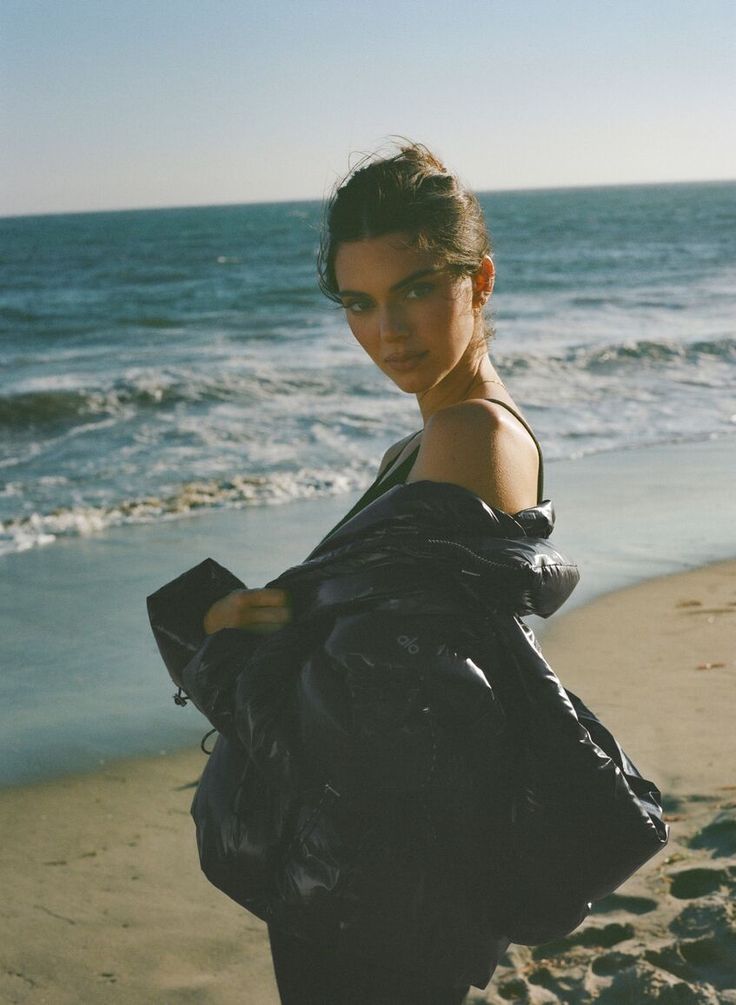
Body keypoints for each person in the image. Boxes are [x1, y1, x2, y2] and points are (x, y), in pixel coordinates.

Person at [202, 143, 544, 1003]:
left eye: (416, 290)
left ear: (482, 279)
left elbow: (383, 697)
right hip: (387, 862)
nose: (387, 332)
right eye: (360, 302)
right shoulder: (434, 437)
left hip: (387, 876)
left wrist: (238, 644)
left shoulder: (472, 436)